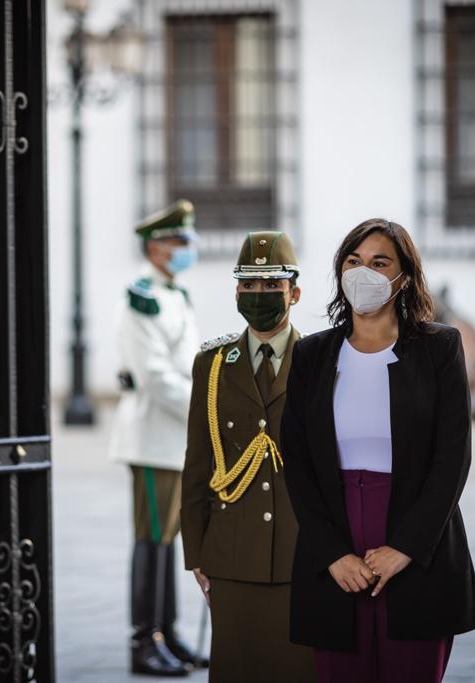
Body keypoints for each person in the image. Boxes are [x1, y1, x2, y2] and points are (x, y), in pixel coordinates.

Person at [280, 218, 475, 682]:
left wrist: (405, 548)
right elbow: (299, 461)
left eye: (379, 263)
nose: (363, 273)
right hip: (336, 540)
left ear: (404, 277)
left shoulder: (439, 347)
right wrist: (332, 554)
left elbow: (453, 457)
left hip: (417, 540)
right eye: (353, 261)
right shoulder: (312, 355)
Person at [180, 231, 316, 683]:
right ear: (236, 292)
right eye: (249, 285)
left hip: (303, 552)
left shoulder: (319, 360)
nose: (260, 294)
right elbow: (198, 463)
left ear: (294, 293)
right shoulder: (213, 363)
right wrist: (197, 552)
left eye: (272, 285)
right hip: (232, 554)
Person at [108, 199, 204, 676]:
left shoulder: (175, 294)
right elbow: (154, 375)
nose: (187, 247)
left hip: (175, 437)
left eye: (188, 239)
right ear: (154, 248)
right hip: (152, 436)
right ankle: (143, 640)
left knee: (168, 539)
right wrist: (203, 408)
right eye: (178, 240)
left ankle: (167, 633)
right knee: (151, 539)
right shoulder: (141, 297)